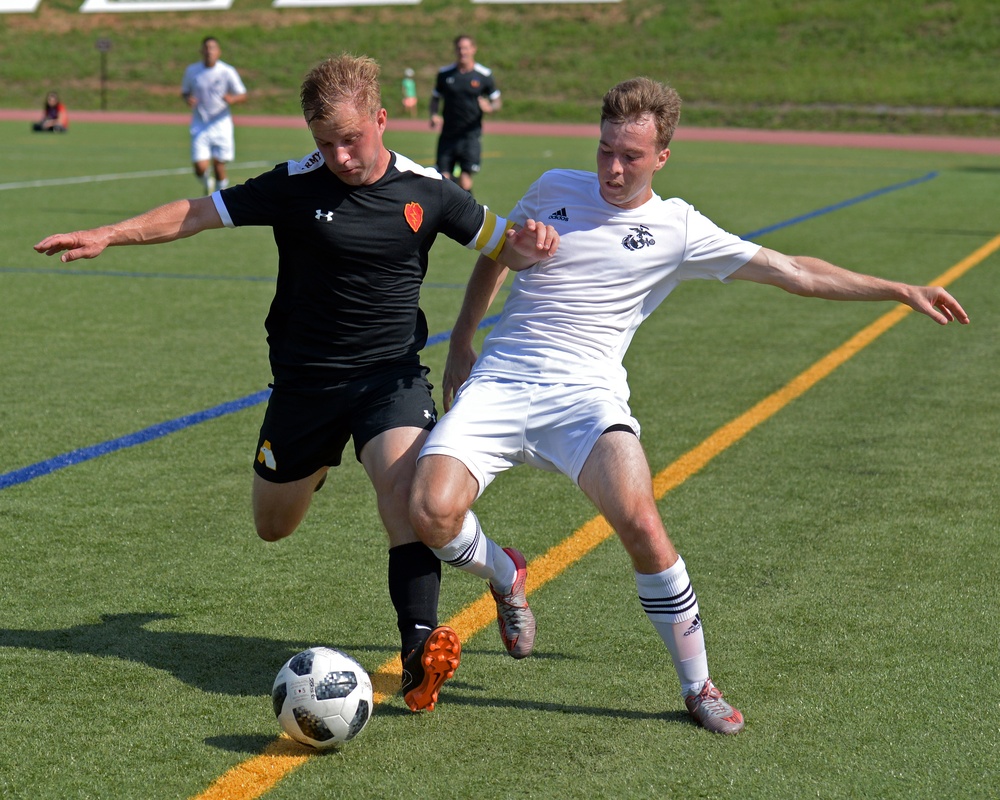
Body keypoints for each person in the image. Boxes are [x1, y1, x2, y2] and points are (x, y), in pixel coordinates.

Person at [408, 76, 969, 734]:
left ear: (663, 156)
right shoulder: (555, 188)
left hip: (585, 396)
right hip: (503, 379)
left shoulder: (677, 229)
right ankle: (505, 572)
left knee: (643, 525)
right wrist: (463, 341)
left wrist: (897, 289)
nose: (613, 168)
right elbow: (499, 254)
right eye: (605, 150)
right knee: (430, 511)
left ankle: (697, 684)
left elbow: (794, 271)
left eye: (631, 157)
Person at [35, 53, 558, 715]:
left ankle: (422, 646)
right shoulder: (294, 185)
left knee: (407, 500)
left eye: (352, 139)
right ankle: (313, 468)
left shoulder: (429, 191)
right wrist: (109, 233)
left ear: (381, 119)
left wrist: (495, 294)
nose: (340, 155)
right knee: (272, 526)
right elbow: (197, 212)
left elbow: (501, 247)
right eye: (325, 143)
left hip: (388, 379)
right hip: (304, 389)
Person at [428, 34, 501, 194]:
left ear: (473, 49)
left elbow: (496, 101)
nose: (463, 51)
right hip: (448, 135)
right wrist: (433, 114)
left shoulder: (484, 75)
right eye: (460, 48)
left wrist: (490, 107)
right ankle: (446, 217)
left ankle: (467, 216)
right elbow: (435, 97)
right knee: (444, 180)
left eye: (466, 48)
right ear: (455, 50)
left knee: (465, 180)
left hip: (470, 136)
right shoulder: (445, 74)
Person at [181, 36, 247, 195]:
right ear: (201, 51)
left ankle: (219, 196)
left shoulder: (227, 71)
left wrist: (233, 98)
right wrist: (188, 99)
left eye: (213, 48)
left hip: (221, 124)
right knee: (200, 167)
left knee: (219, 165)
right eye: (206, 48)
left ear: (219, 52)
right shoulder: (192, 71)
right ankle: (207, 183)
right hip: (200, 124)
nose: (209, 51)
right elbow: (185, 92)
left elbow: (242, 94)